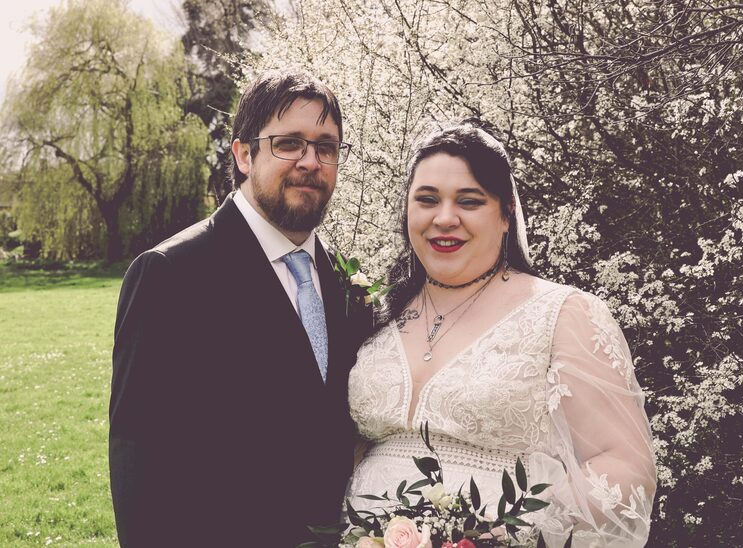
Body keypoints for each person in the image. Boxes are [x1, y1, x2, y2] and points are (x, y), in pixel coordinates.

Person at [346, 121, 657, 547]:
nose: (444, 218)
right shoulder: (376, 315)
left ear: (506, 213)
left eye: (469, 201)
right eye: (427, 200)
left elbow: (624, 463)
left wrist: (504, 535)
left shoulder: (562, 313)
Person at [109, 69, 370, 547]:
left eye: (326, 147)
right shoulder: (170, 274)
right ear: (244, 154)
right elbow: (138, 459)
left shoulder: (342, 282)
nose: (311, 161)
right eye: (289, 143)